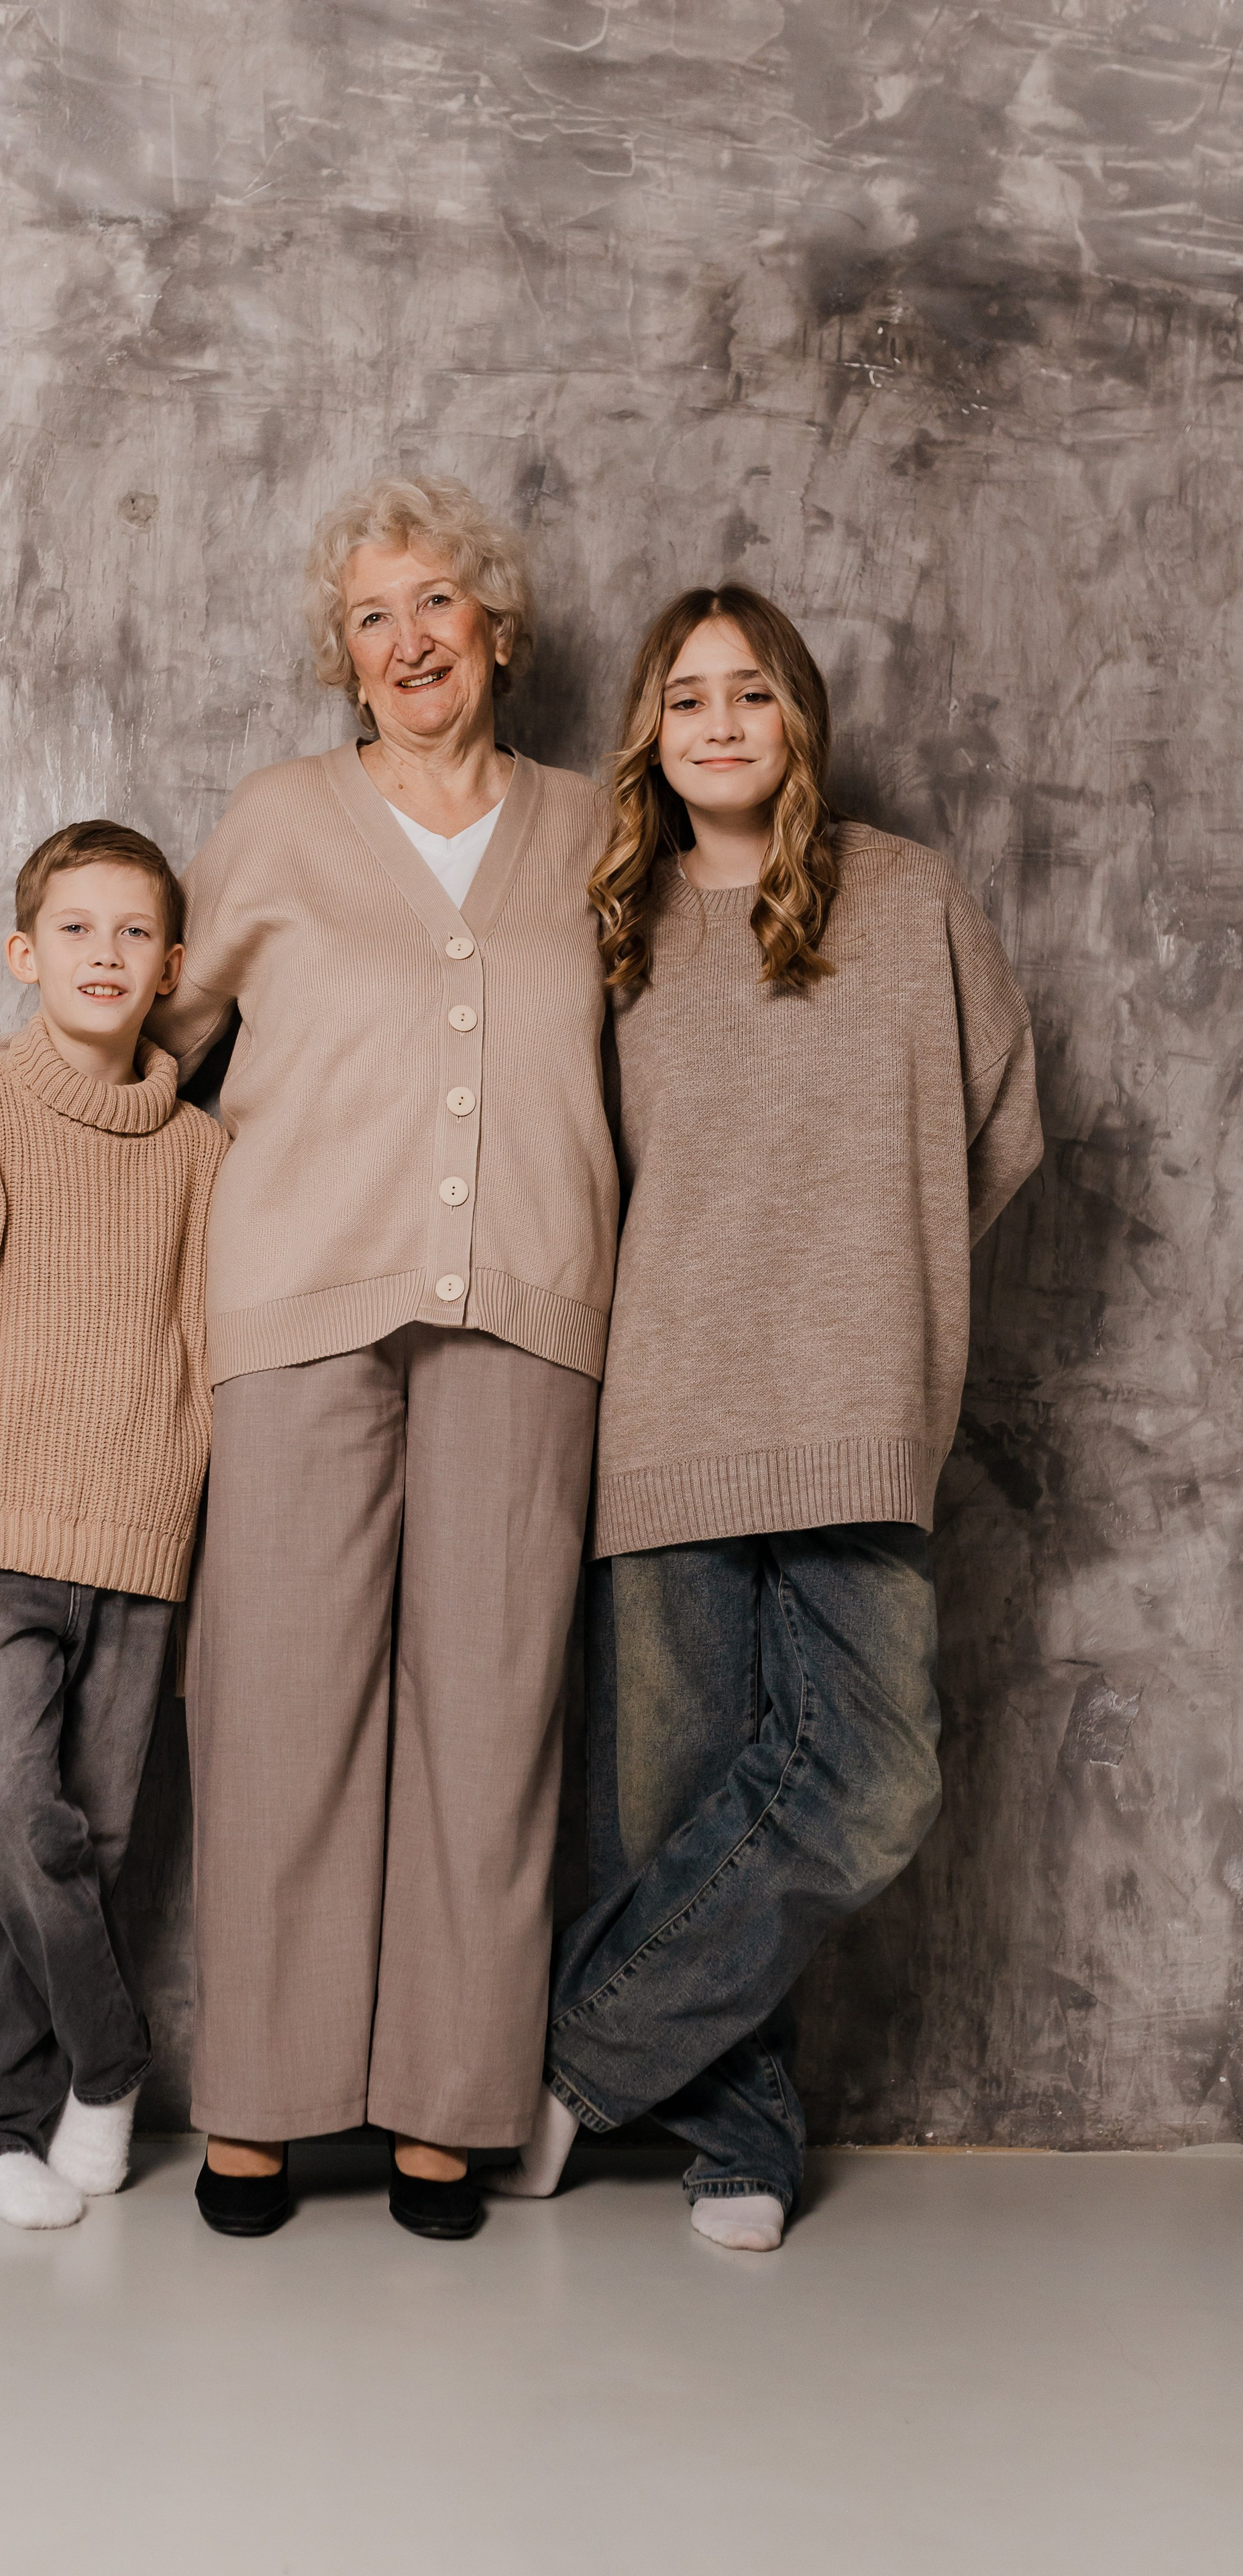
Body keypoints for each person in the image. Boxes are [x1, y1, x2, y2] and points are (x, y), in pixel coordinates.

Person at [0, 476, 618, 2241]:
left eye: (437, 603)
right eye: (373, 617)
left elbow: (672, 1055)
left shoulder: (594, 831)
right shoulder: (279, 823)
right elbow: (132, 1038)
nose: (409, 640)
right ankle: (266, 2112)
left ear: (497, 629)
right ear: (343, 659)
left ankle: (449, 2112)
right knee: (275, 1715)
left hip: (526, 1309)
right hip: (283, 1321)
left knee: (492, 1720)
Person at [491, 585, 1043, 2247]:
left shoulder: (906, 897)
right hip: (661, 1413)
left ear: (796, 713)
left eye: (749, 692)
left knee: (867, 1787)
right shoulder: (609, 921)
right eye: (683, 701)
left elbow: (1001, 1127)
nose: (718, 723)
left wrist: (868, 1291)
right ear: (647, 738)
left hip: (858, 1407)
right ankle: (740, 2139)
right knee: (676, 1800)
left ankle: (570, 2062)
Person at [0, 820, 223, 2230]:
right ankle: (102, 2066)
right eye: (75, 930)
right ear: (24, 954)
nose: (104, 956)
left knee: (98, 1843)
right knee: (15, 1811)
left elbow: (203, 1362)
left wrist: (199, 1558)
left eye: (134, 934)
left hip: (135, 1548)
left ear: (171, 965)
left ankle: (3, 2116)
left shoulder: (198, 1151)